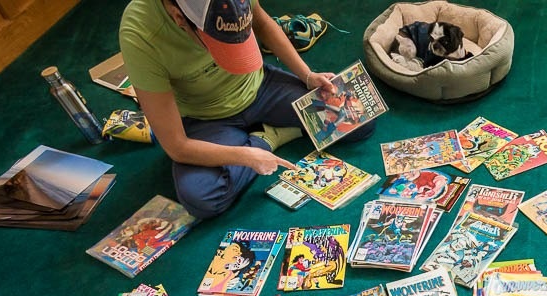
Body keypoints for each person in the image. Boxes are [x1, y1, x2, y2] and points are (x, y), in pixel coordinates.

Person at [119, 0, 373, 219]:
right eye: (221, 45)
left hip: (263, 88)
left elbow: (261, 21)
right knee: (202, 199)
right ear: (178, 18)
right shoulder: (140, 33)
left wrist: (306, 75)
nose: (233, 57)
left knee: (360, 119)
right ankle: (268, 137)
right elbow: (176, 146)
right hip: (206, 119)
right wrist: (249, 155)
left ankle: (267, 134)